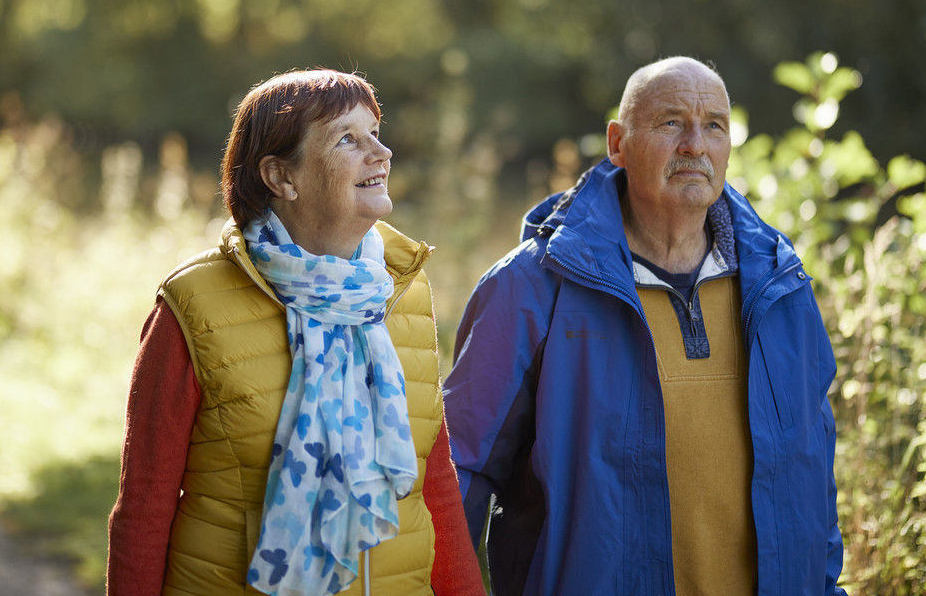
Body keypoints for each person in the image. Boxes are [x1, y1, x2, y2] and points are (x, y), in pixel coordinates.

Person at [443, 57, 848, 595]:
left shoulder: (782, 286)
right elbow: (459, 472)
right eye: (671, 122)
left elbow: (814, 475)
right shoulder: (531, 287)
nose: (695, 145)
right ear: (618, 143)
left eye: (715, 127)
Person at [107, 70, 484, 596]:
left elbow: (434, 486)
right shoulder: (192, 306)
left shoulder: (402, 292)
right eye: (348, 139)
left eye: (375, 131)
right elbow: (143, 511)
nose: (382, 152)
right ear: (282, 177)